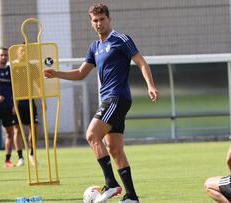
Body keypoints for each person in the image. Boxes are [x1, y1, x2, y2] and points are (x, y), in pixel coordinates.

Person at [44, 3, 158, 203]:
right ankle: (131, 197)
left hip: (117, 97)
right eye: (94, 20)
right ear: (91, 22)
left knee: (91, 135)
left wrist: (150, 85)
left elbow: (141, 62)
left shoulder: (121, 39)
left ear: (109, 19)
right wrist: (56, 73)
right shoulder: (94, 47)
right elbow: (80, 73)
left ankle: (111, 183)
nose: (98, 23)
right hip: (110, 99)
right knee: (114, 148)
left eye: (101, 19)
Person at [12, 45, 39, 166]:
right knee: (17, 130)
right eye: (22, 50)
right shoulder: (13, 66)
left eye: (26, 51)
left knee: (33, 128)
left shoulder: (32, 66)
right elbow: (12, 86)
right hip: (16, 101)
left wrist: (43, 101)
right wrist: (14, 103)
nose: (24, 52)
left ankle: (32, 154)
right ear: (18, 52)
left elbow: (38, 84)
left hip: (29, 101)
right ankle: (20, 157)